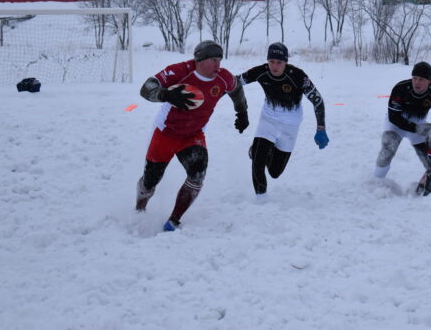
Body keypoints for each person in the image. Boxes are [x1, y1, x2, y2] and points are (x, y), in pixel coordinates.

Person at [135, 40, 249, 231]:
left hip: (193, 135)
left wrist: (242, 112)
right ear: (199, 59)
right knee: (151, 179)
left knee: (198, 172)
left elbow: (236, 89)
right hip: (166, 133)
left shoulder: (223, 77)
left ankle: (173, 220)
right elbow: (146, 88)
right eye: (213, 60)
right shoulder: (180, 71)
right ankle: (139, 209)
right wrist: (165, 94)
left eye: (219, 60)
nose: (218, 65)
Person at [238, 42, 328, 198]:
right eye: (271, 61)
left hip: (290, 126)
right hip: (268, 120)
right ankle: (261, 200)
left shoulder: (298, 76)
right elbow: (235, 82)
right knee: (258, 161)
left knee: (274, 172)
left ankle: (265, 148)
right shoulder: (261, 71)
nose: (274, 66)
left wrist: (321, 128)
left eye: (279, 62)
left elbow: (318, 101)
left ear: (285, 62)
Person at [373, 61, 431, 179]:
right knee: (388, 148)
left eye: (421, 79)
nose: (416, 82)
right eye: (414, 78)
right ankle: (377, 180)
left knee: (429, 155)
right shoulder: (400, 88)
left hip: (418, 122)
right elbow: (393, 117)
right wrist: (416, 128)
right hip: (396, 122)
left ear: (429, 81)